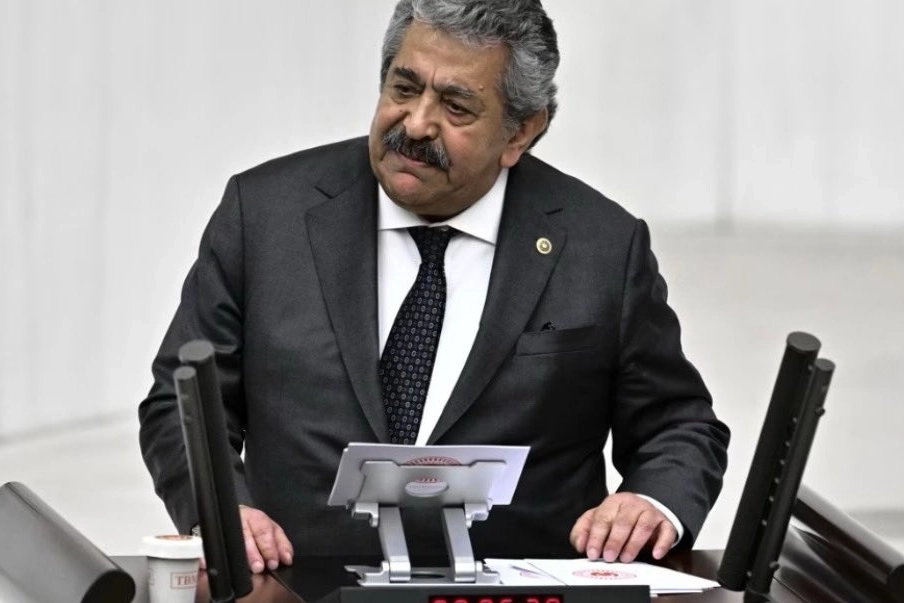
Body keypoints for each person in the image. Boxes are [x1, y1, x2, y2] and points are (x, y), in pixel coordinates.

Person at [139, 0, 729, 575]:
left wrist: (650, 503)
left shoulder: (602, 246)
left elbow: (679, 425)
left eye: (456, 106)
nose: (417, 124)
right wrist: (224, 510)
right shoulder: (266, 215)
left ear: (522, 131)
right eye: (403, 88)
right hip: (301, 584)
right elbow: (181, 402)